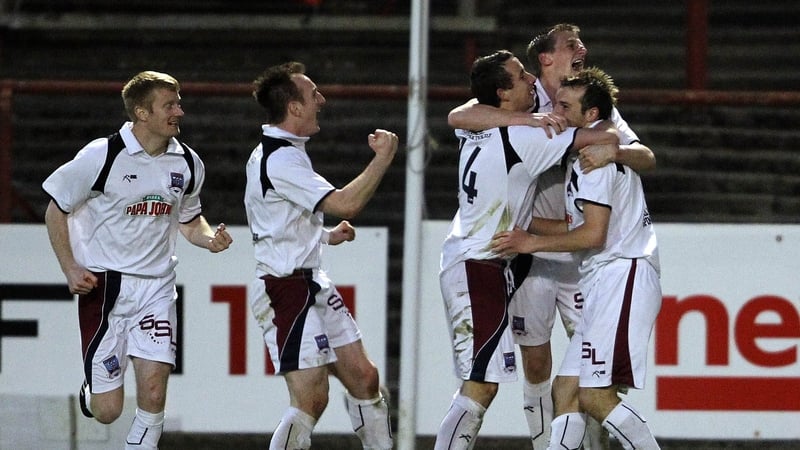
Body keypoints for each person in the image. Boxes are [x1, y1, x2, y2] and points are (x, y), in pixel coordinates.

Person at [447, 23, 655, 450]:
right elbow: (458, 115)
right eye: (572, 45)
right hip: (534, 253)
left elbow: (644, 155)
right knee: (543, 366)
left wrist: (613, 147)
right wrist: (525, 119)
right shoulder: (530, 104)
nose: (583, 49)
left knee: (591, 386)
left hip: (584, 254)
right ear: (546, 59)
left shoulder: (592, 107)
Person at [42, 70, 233, 450]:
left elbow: (191, 220)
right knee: (108, 410)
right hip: (106, 287)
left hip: (158, 288)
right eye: (170, 105)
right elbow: (55, 210)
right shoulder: (103, 155)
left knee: (154, 393)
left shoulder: (188, 163)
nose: (179, 111)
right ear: (142, 113)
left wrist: (210, 239)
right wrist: (70, 268)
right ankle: (93, 391)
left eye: (179, 102)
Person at [491, 67, 662, 450]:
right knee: (566, 391)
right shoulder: (585, 156)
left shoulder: (593, 160)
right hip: (606, 280)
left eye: (566, 107)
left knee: (595, 397)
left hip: (622, 275)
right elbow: (575, 224)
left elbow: (592, 234)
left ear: (591, 116)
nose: (558, 113)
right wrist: (522, 222)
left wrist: (529, 242)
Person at [244, 61, 396, 450]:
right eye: (314, 95)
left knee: (364, 378)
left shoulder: (281, 152)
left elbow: (276, 220)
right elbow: (346, 203)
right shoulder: (280, 159)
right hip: (285, 288)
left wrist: (325, 237)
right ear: (294, 108)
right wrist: (382, 159)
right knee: (311, 398)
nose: (322, 100)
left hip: (309, 280)